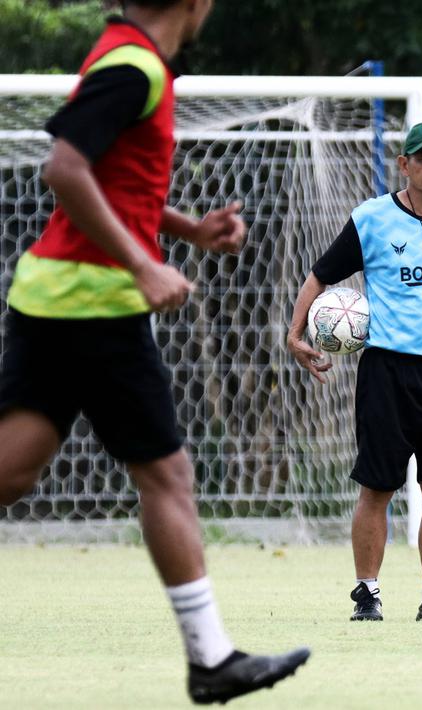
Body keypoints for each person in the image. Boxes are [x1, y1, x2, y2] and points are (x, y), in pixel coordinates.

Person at [0, 1, 309, 704]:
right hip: (96, 302)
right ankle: (211, 660)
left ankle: (210, 659)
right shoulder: (135, 65)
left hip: (62, 298)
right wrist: (143, 265)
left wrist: (189, 231)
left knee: (11, 470)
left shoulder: (126, 52)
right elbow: (65, 169)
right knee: (167, 476)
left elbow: (111, 181)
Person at [287, 119, 422, 623]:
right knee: (377, 488)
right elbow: (317, 276)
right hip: (386, 372)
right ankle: (367, 592)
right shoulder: (372, 220)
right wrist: (295, 335)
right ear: (404, 166)